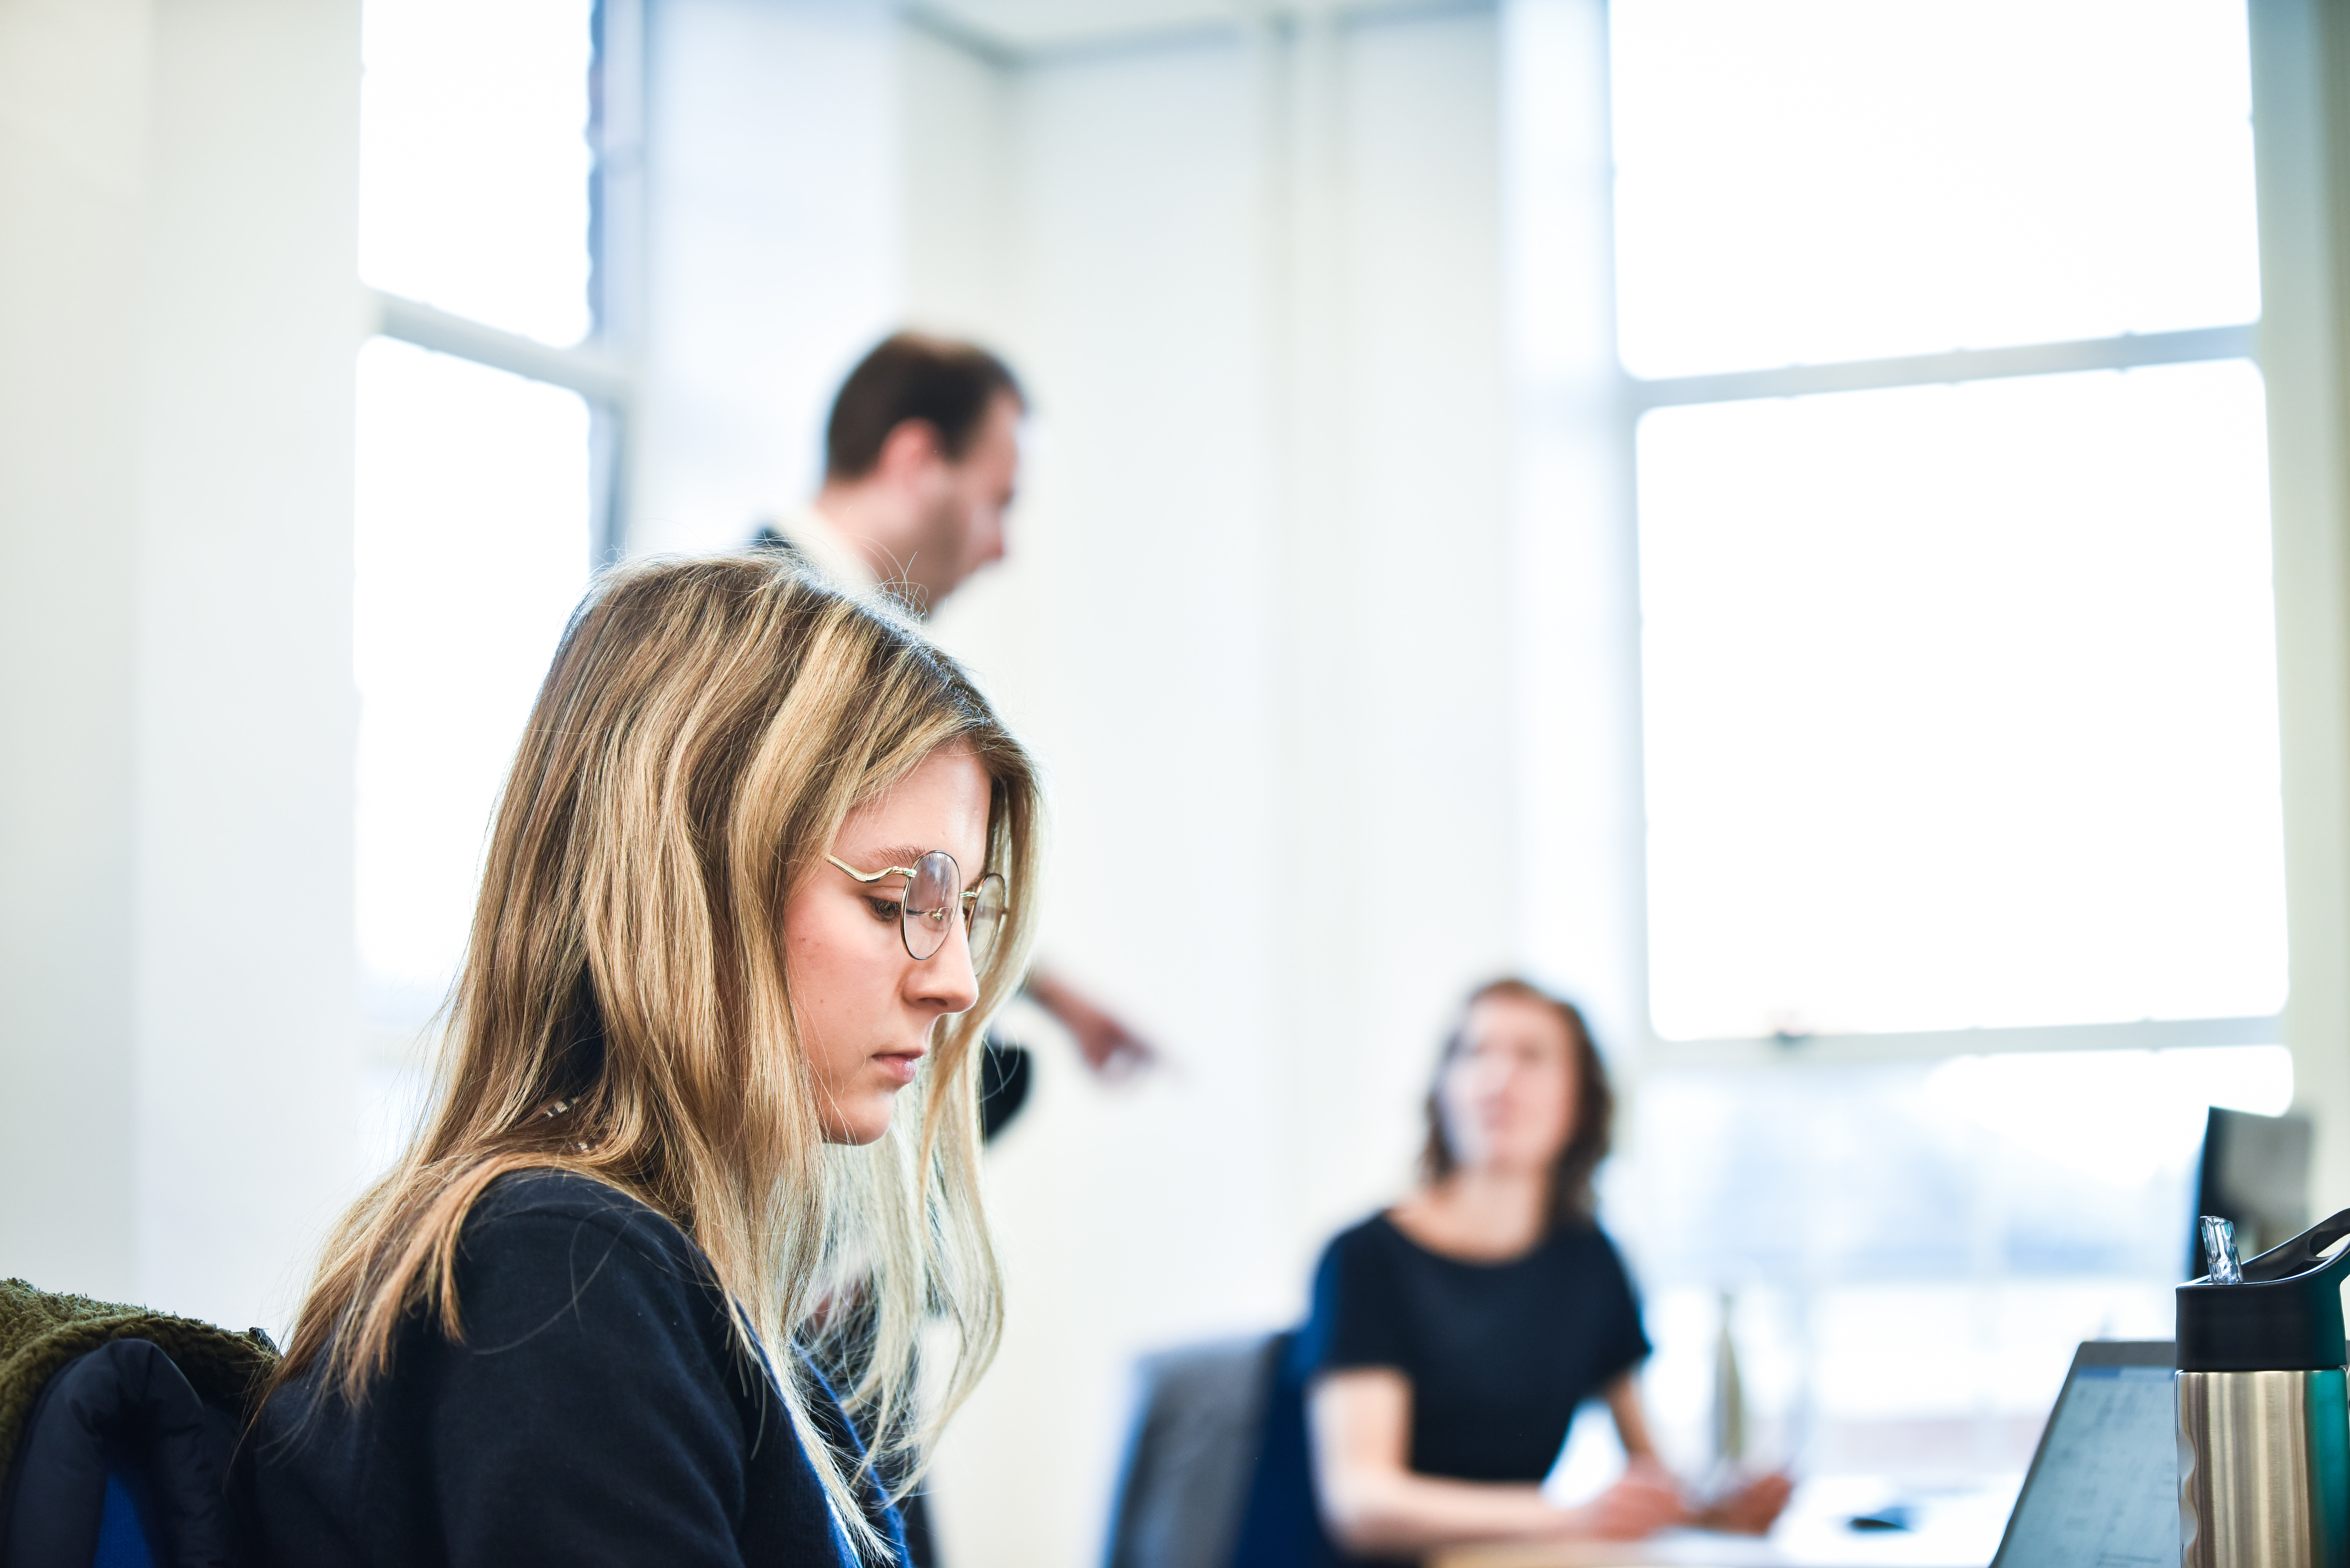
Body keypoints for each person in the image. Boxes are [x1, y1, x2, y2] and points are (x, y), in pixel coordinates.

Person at [237, 555, 1043, 1567]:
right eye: (896, 904)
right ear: (690, 887)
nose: (957, 983)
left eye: (963, 910)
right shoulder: (563, 1280)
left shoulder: (695, 1298)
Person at [1232, 978, 1790, 1564]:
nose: (1499, 1078)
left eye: (1531, 1056)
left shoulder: (1591, 1261)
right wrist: (1569, 1517)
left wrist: (1713, 1512)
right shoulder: (1366, 1259)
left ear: (1580, 1102)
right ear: (1444, 1091)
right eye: (1475, 1053)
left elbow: (1649, 1473)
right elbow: (1362, 1504)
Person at [758, 330, 1151, 1094]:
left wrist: (1051, 992)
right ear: (915, 460)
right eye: (996, 502)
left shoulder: (825, 643)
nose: (1001, 547)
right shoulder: (766, 642)